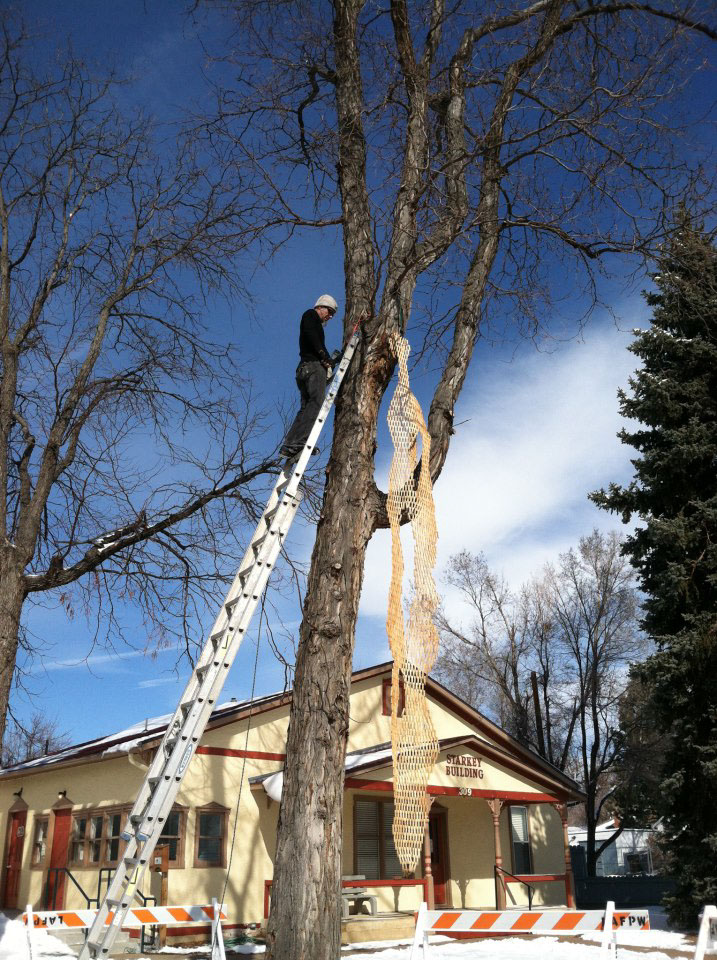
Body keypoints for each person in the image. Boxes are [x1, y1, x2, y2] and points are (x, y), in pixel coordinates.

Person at [280, 294, 340, 461]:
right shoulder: (310, 315)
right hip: (313, 367)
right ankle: (300, 441)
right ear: (320, 307)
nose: (330, 316)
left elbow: (314, 339)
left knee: (306, 407)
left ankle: (290, 444)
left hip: (304, 369)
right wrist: (323, 355)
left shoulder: (313, 323)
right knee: (316, 402)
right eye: (329, 311)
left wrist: (328, 358)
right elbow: (310, 334)